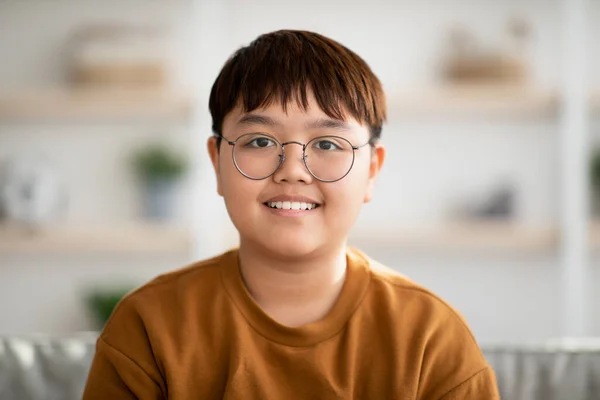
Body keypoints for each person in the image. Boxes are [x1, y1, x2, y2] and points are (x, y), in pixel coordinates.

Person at [83, 30, 500, 399]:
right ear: (217, 163)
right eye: (261, 141)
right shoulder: (149, 326)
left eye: (329, 144)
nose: (293, 171)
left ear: (372, 170)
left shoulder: (431, 338)